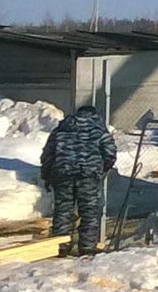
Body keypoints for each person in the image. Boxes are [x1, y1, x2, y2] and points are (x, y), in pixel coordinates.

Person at [40, 103, 118, 256]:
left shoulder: (61, 129)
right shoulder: (99, 131)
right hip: (88, 175)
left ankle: (60, 246)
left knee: (63, 211)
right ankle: (87, 247)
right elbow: (110, 153)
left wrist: (47, 175)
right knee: (89, 211)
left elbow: (48, 154)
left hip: (63, 173)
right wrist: (101, 169)